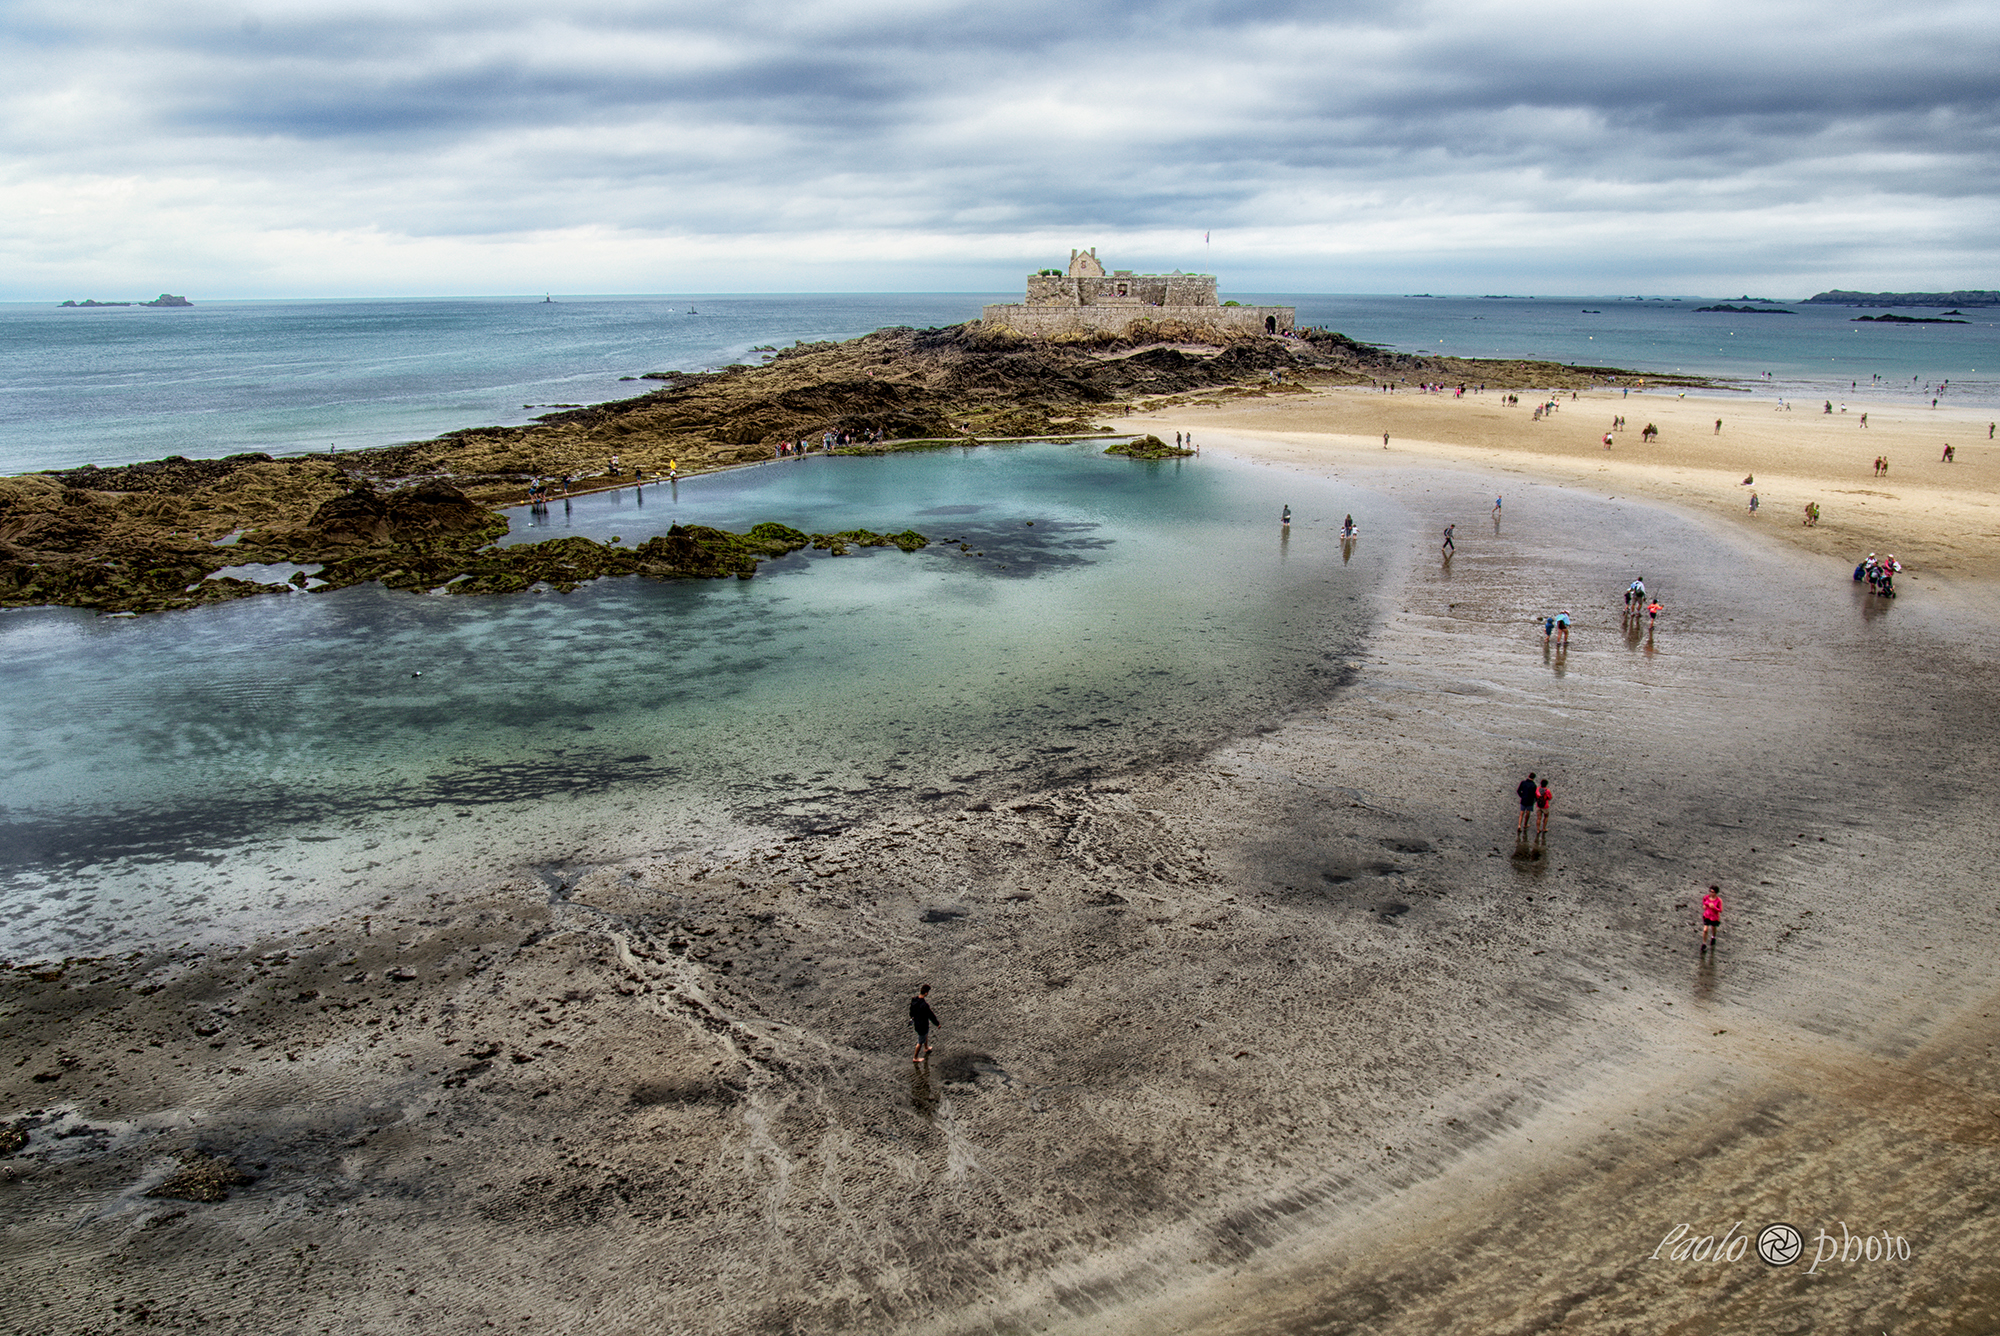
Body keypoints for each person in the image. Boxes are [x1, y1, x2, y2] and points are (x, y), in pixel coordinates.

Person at [910, 984, 940, 1063]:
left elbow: (911, 1013)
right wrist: (937, 1024)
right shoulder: (924, 1005)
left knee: (925, 1034)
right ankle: (915, 1057)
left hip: (917, 1023)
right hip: (922, 1025)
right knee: (920, 1041)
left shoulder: (914, 1000)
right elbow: (931, 1015)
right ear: (926, 993)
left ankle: (926, 1047)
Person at [1699, 886, 1723, 955]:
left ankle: (1713, 937)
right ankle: (1704, 944)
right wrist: (1704, 906)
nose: (1711, 893)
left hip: (1714, 917)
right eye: (1710, 891)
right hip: (1707, 915)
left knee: (1713, 927)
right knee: (1705, 930)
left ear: (1716, 893)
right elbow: (1704, 902)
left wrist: (1714, 907)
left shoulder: (1718, 900)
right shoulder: (1706, 897)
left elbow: (1720, 910)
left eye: (1712, 892)